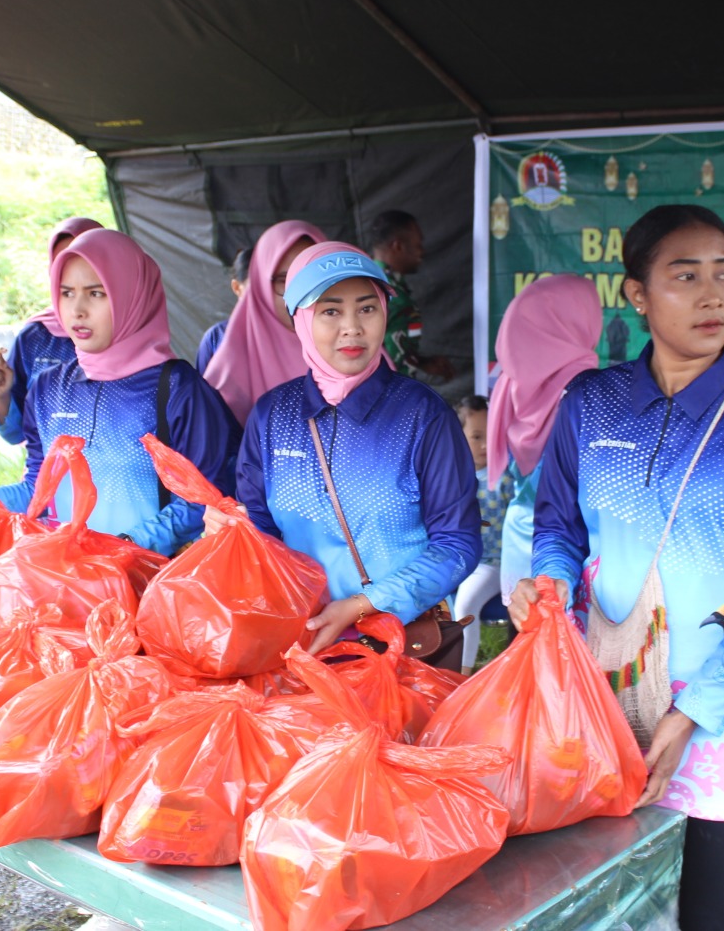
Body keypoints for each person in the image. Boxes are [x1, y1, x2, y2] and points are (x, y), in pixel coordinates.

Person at [515, 205, 724, 931]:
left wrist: (696, 712)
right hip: (605, 691)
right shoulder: (592, 404)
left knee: (711, 917)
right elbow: (557, 522)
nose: (714, 295)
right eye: (685, 277)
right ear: (637, 294)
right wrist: (553, 585)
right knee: (603, 904)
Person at [213, 242, 480, 656]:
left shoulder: (423, 415)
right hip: (300, 648)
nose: (352, 327)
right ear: (301, 319)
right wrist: (231, 533)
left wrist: (364, 605)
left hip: (400, 646)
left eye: (367, 309)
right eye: (331, 311)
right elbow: (259, 527)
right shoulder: (272, 416)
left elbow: (458, 545)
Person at [0, 229, 238, 551]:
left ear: (132, 296)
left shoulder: (178, 389)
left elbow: (203, 499)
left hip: (149, 583)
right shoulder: (48, 387)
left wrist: (125, 547)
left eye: (96, 294)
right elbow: (37, 489)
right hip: (68, 578)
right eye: (66, 293)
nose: (77, 309)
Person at [486, 274, 602, 607]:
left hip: (521, 542)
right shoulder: (591, 392)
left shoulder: (512, 385)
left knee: (526, 647)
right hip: (569, 557)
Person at [0, 216, 104, 445]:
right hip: (49, 476)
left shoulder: (134, 341)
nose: (72, 272)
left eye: (82, 261)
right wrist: (1, 397)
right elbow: (15, 434)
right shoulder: (35, 338)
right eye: (62, 265)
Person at [203, 220, 324, 424]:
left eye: (313, 277)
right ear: (260, 286)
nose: (301, 293)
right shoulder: (227, 372)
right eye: (284, 280)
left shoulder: (357, 349)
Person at [451, 394, 510, 668]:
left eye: (491, 434)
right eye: (476, 437)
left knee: (465, 607)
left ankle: (459, 676)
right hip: (456, 561)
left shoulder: (507, 476)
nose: (486, 445)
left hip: (493, 562)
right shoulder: (449, 474)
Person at [364, 209, 455, 382]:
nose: (422, 252)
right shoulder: (390, 293)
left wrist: (421, 362)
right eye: (418, 245)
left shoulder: (364, 280)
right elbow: (390, 359)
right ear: (398, 246)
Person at [194, 247, 250, 378]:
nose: (264, 294)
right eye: (255, 286)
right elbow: (203, 393)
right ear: (237, 287)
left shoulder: (292, 335)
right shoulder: (215, 337)